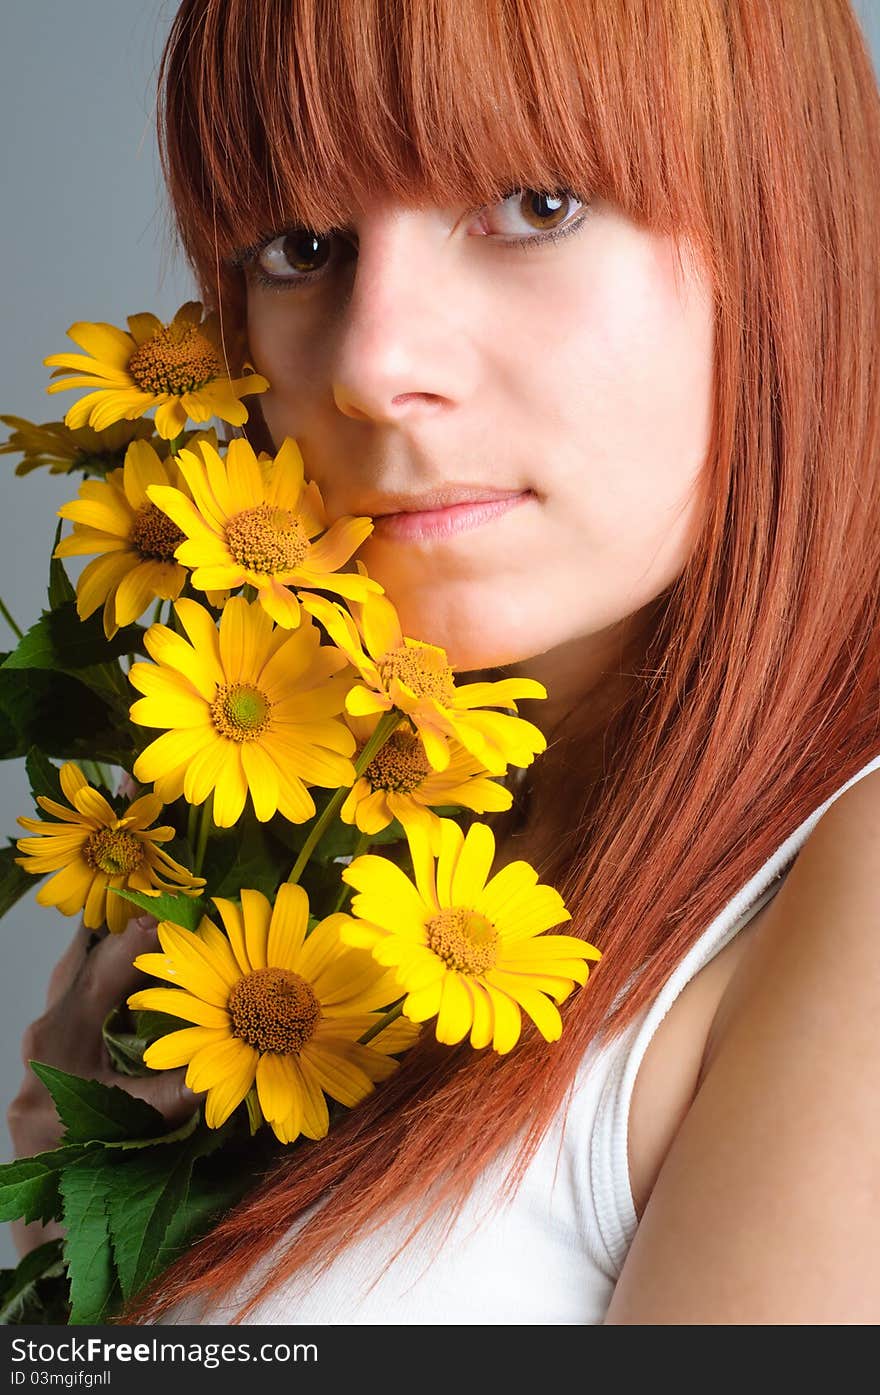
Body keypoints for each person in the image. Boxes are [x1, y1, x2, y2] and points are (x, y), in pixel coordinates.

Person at [8, 0, 880, 1324]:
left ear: (790, 236)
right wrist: (70, 1210)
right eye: (300, 248)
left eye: (534, 206)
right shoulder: (255, 870)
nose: (373, 361)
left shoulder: (848, 884)